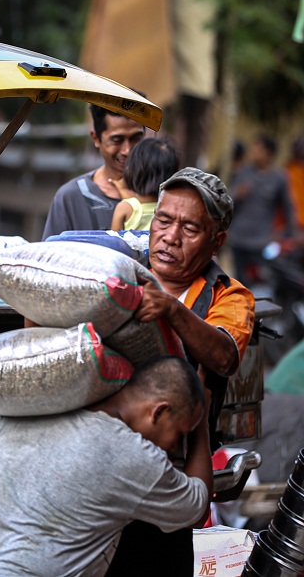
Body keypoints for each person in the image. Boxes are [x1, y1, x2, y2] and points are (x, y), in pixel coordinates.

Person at [105, 167, 256, 576]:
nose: (170, 237)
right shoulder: (119, 268)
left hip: (169, 479)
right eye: (164, 220)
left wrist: (172, 310)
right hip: (102, 468)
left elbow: (224, 355)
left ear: (216, 241)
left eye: (190, 228)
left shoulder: (229, 295)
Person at [0, 357, 212, 577]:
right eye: (178, 435)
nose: (173, 449)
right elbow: (196, 510)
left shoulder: (18, 412)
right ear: (159, 412)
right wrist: (202, 425)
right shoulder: (135, 457)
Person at [43, 104, 147, 239]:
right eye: (117, 140)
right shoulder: (71, 197)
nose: (127, 150)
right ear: (96, 139)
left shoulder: (163, 193)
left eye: (136, 139)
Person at [226, 134, 297, 287]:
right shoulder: (243, 172)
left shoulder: (279, 178)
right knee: (238, 281)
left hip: (261, 241)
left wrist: (292, 234)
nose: (254, 152)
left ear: (268, 153)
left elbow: (288, 208)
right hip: (238, 238)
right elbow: (227, 200)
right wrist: (237, 194)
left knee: (259, 282)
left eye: (258, 149)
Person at [110, 136, 181, 231]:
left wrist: (122, 189)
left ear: (134, 170)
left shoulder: (124, 208)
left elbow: (113, 244)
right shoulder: (173, 208)